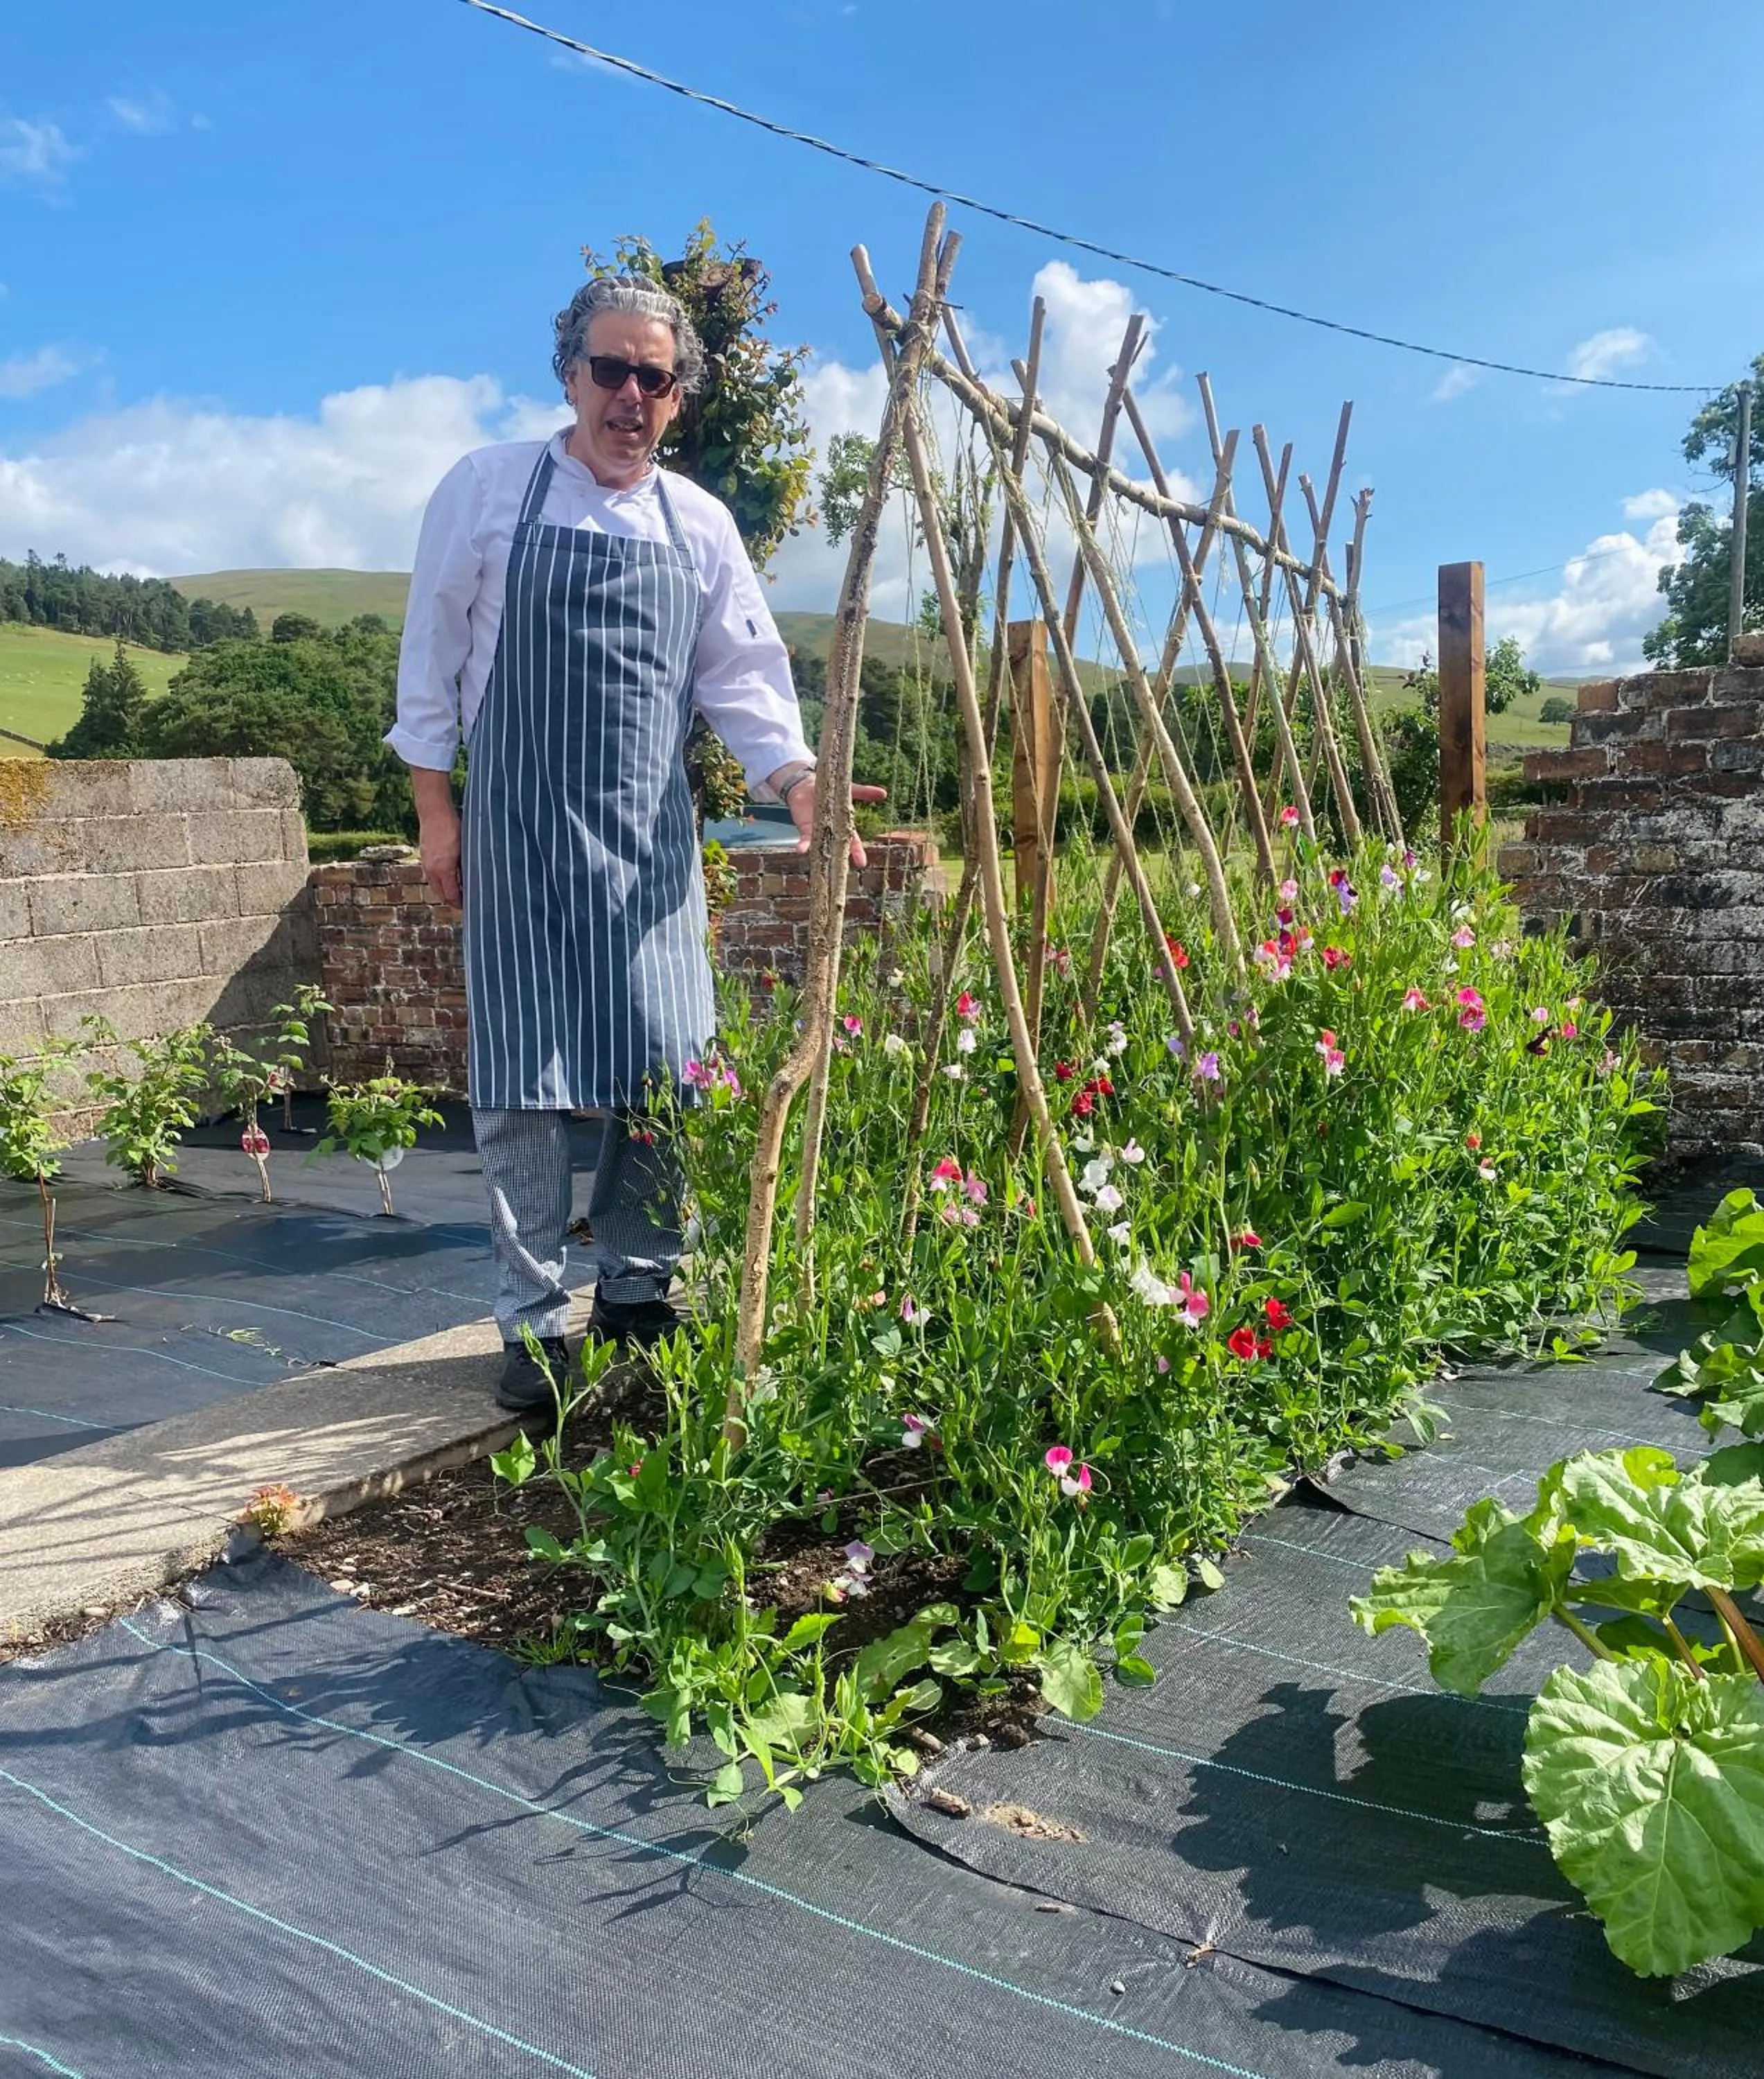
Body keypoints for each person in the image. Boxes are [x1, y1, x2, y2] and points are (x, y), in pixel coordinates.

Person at [389, 274, 879, 1412]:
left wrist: (800, 783)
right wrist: (434, 812)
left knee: (672, 1072)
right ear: (570, 373)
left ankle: (636, 1293)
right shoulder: (489, 488)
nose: (628, 395)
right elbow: (432, 657)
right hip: (515, 831)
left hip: (650, 844)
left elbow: (743, 678)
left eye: (652, 378)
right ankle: (529, 1323)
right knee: (518, 1084)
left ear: (675, 397)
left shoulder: (695, 521)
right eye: (610, 369)